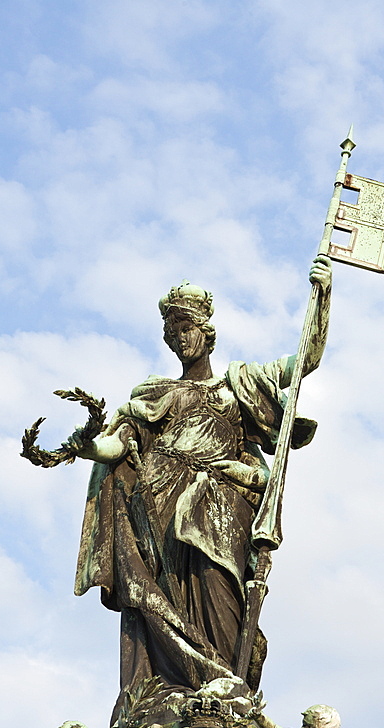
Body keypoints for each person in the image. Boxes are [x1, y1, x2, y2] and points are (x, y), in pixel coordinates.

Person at [67, 258, 332, 700]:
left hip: (219, 505)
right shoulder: (158, 393)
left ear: (206, 331)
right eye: (171, 332)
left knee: (218, 584)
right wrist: (87, 445)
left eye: (186, 327)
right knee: (166, 602)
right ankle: (175, 690)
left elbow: (304, 360)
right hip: (157, 510)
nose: (179, 338)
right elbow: (118, 446)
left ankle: (223, 679)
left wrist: (322, 297)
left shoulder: (240, 384)